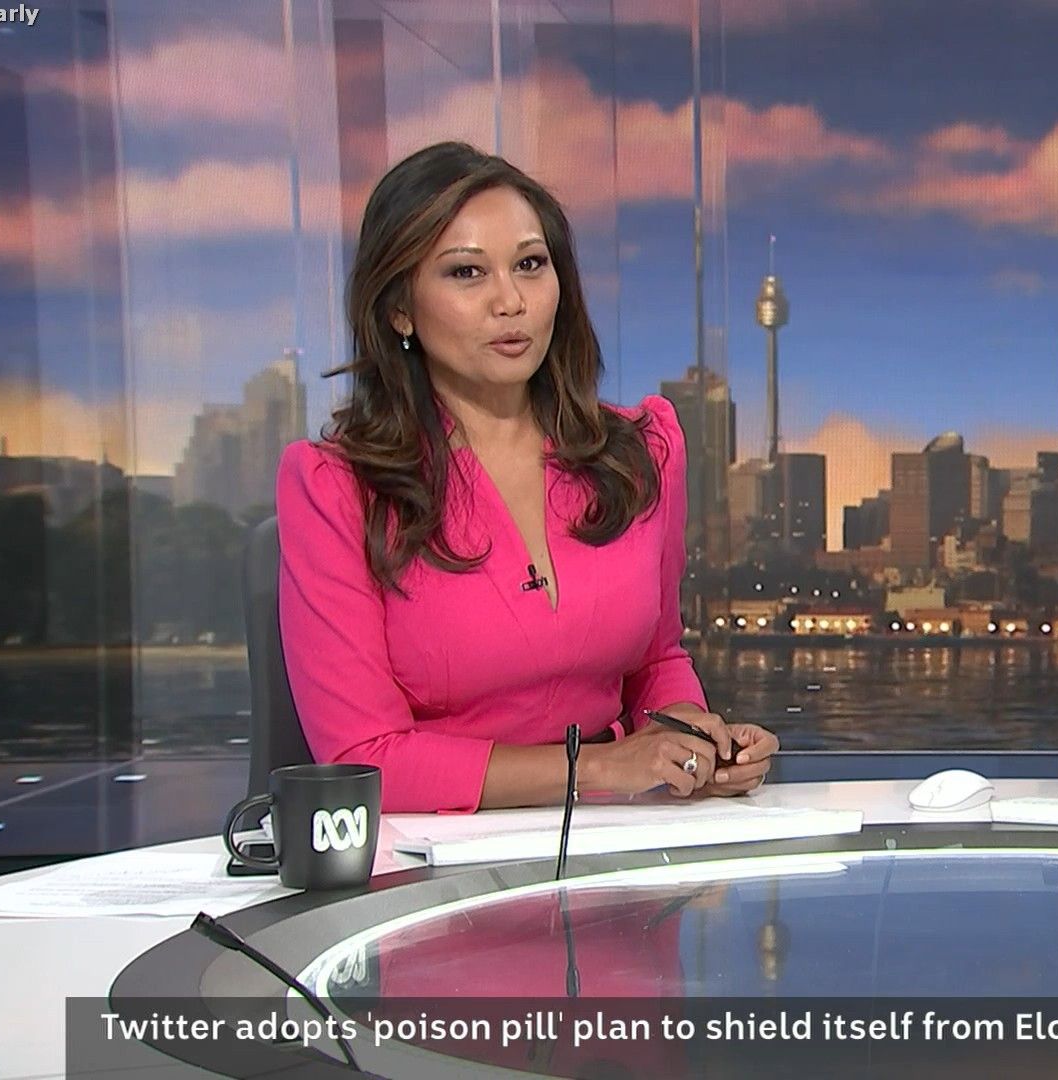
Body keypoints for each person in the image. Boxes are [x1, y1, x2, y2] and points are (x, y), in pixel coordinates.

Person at [277, 141, 777, 814]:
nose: (510, 301)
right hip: (436, 850)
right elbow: (362, 758)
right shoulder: (336, 486)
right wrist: (596, 768)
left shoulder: (640, 453)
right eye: (466, 272)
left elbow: (655, 663)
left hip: (616, 832)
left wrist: (691, 741)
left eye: (530, 265)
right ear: (399, 307)